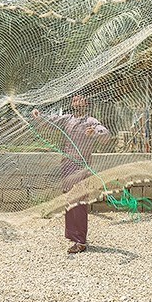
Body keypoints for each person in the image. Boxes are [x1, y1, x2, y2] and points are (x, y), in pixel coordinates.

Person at [32, 95, 110, 254]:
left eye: (79, 99)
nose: (76, 102)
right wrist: (38, 116)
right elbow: (49, 121)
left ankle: (81, 241)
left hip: (82, 168)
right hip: (67, 165)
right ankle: (74, 237)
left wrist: (95, 132)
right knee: (69, 200)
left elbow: (105, 135)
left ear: (86, 103)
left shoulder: (90, 121)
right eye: (74, 100)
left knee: (79, 202)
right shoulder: (67, 119)